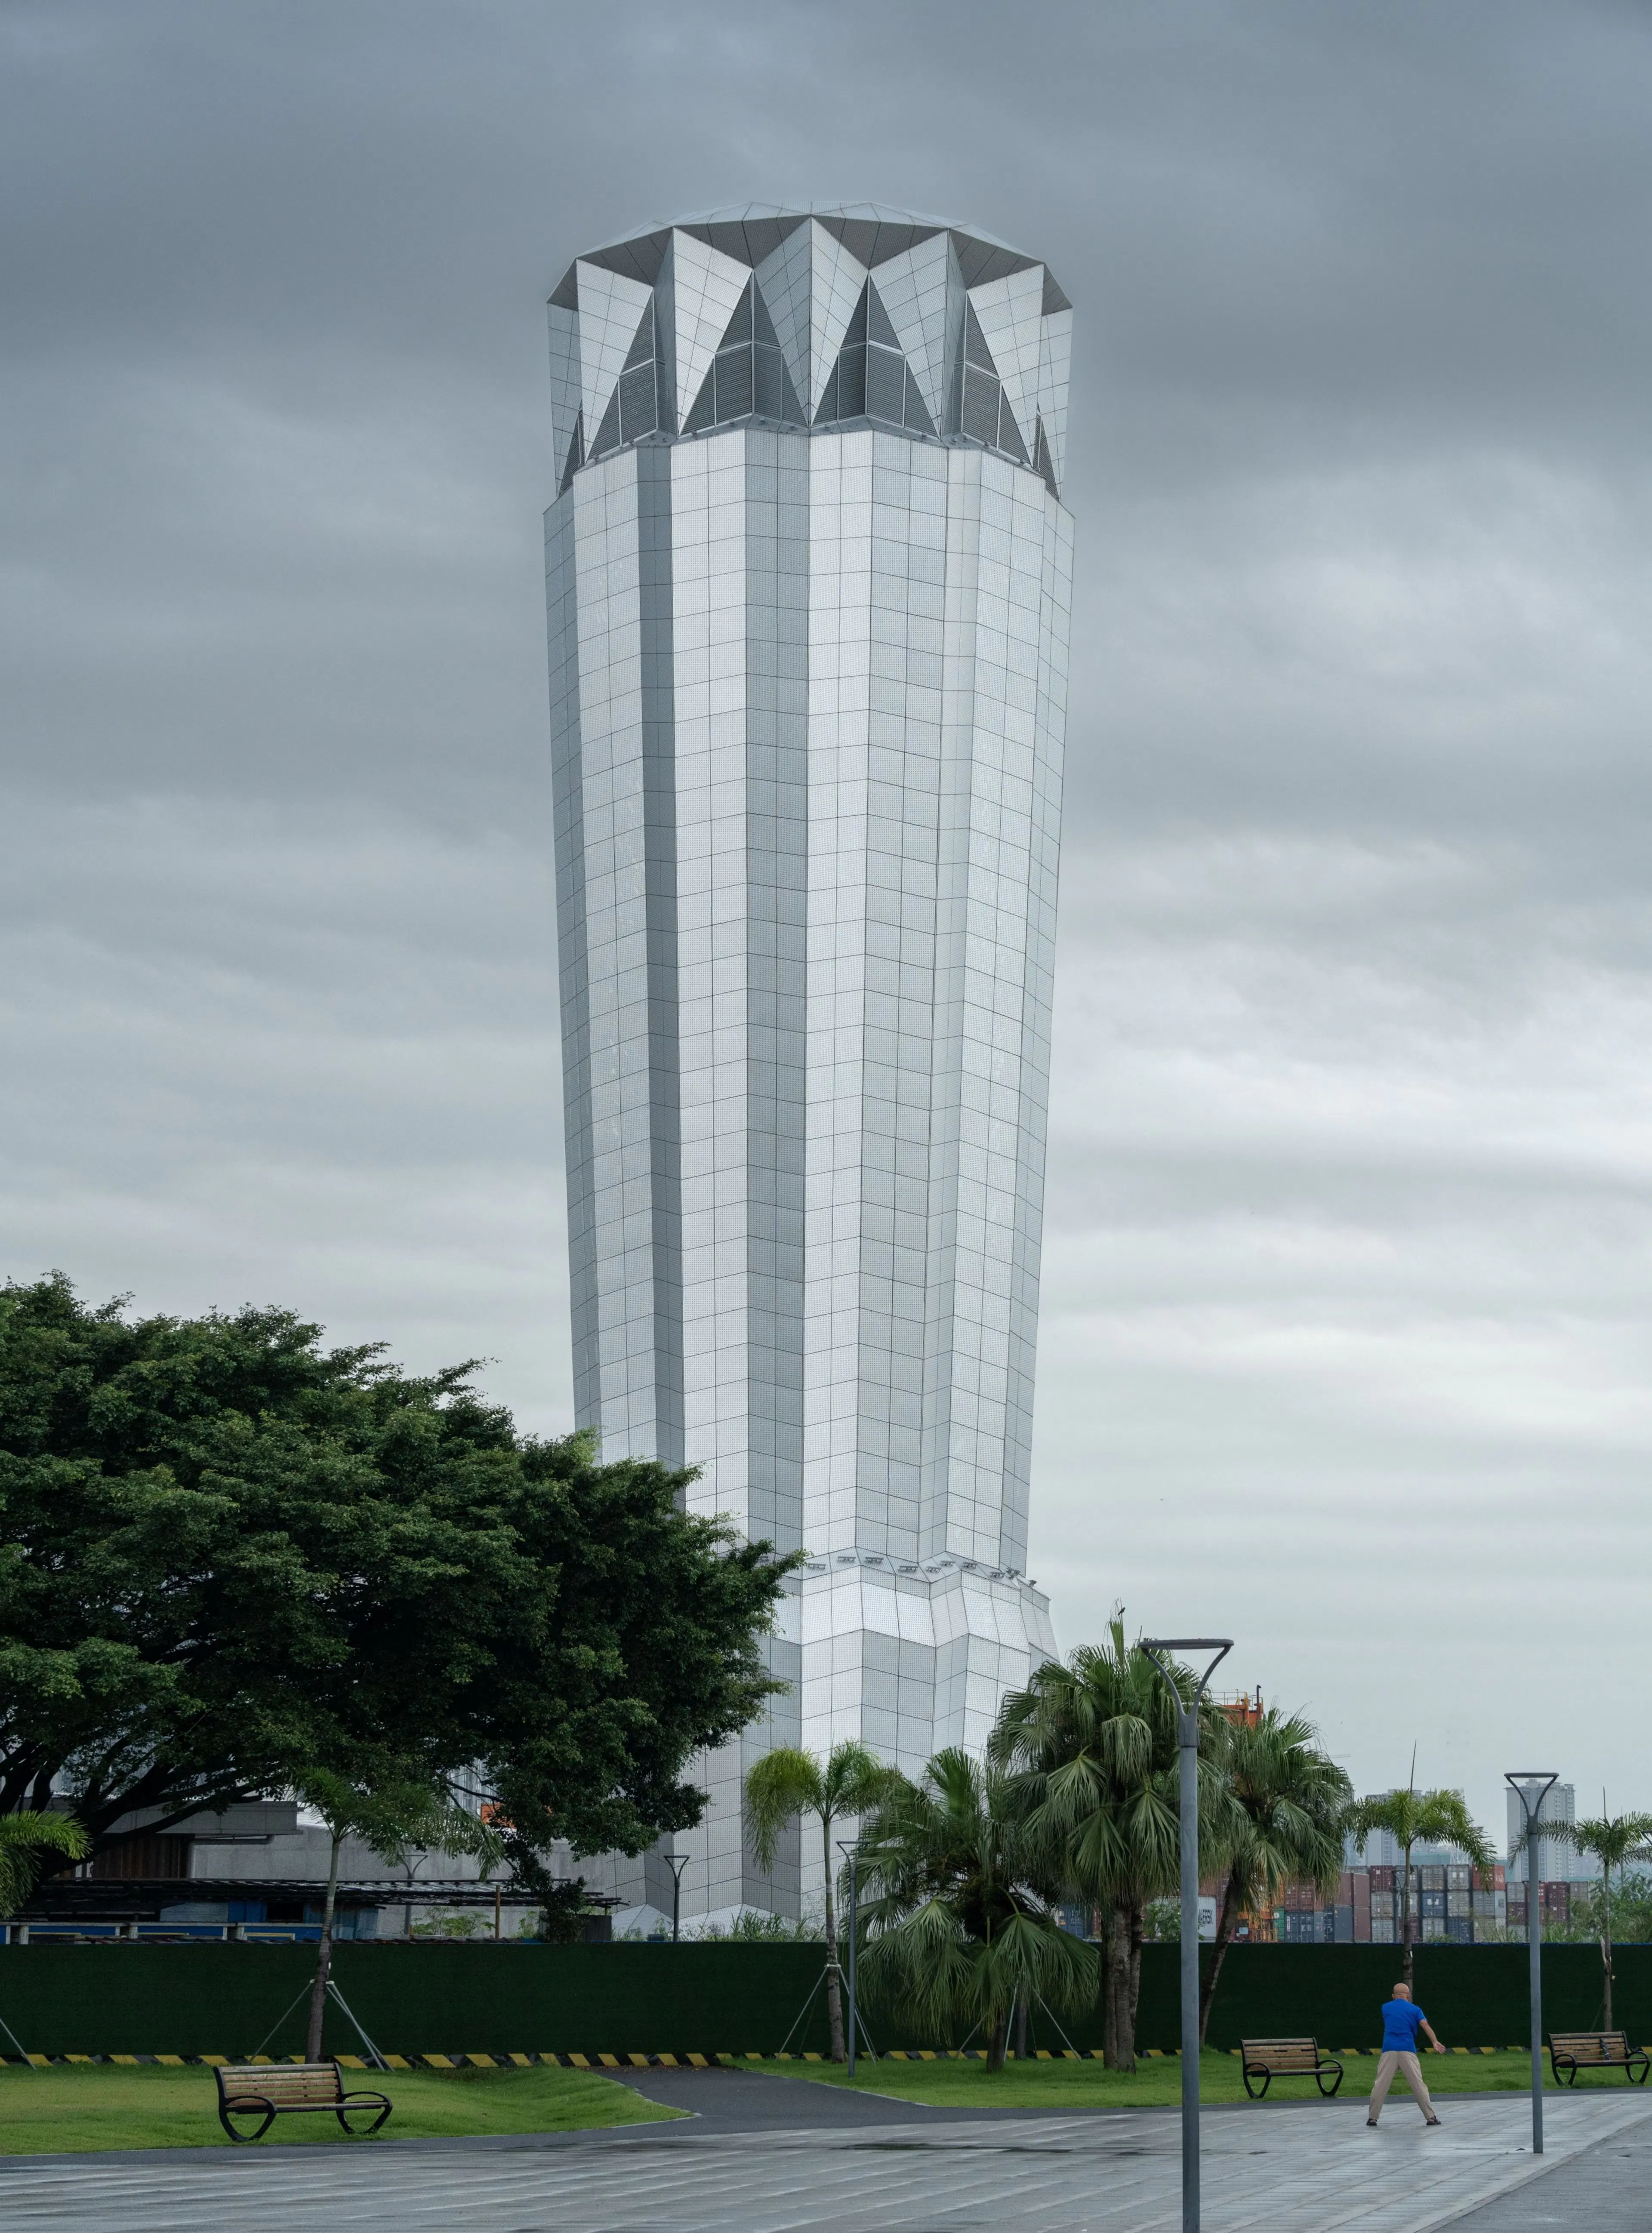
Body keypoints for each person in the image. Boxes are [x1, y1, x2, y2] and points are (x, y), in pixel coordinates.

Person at [1368, 1981, 1444, 2127]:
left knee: (1380, 2085)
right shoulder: (1415, 2010)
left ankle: (1373, 2118)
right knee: (1418, 2085)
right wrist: (1435, 2042)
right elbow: (1424, 2025)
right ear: (1408, 1995)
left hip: (1389, 2050)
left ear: (1393, 1996)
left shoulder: (1385, 2008)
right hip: (1407, 2050)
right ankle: (1430, 2117)